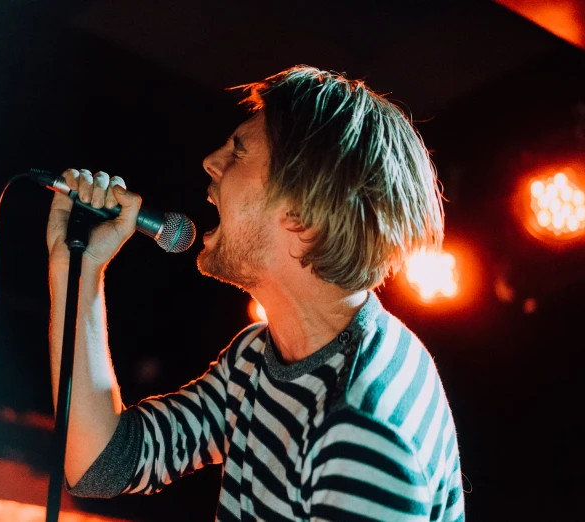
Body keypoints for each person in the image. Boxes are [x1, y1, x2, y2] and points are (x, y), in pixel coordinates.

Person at [47, 66, 465, 521]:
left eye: (239, 153)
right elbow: (103, 465)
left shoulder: (363, 426)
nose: (211, 161)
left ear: (303, 212)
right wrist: (77, 268)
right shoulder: (257, 357)